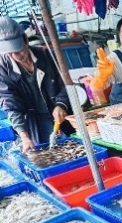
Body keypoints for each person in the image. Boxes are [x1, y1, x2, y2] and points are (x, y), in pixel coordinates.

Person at [0, 17, 73, 153]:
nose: (16, 56)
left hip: (59, 116)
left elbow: (66, 84)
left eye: (19, 50)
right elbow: (11, 104)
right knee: (44, 153)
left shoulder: (46, 55)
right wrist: (24, 137)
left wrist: (61, 104)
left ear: (26, 40)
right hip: (35, 121)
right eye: (10, 53)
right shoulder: (3, 69)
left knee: (71, 149)